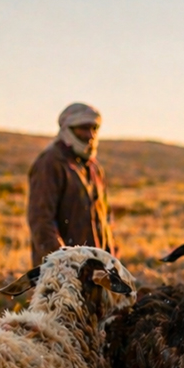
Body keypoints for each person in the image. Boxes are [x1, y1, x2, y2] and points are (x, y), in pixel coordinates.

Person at [26, 102, 116, 266]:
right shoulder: (50, 163)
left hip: (95, 273)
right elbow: (42, 223)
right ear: (68, 129)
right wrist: (64, 265)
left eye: (94, 128)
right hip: (61, 276)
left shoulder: (93, 168)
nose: (90, 135)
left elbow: (104, 222)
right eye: (83, 128)